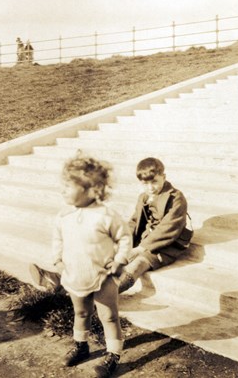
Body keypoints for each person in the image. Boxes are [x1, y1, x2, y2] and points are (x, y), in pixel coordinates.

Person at [30, 153, 132, 377]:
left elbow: (124, 238)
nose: (62, 190)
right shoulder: (64, 216)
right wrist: (57, 259)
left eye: (68, 185)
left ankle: (113, 355)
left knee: (109, 316)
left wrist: (120, 260)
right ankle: (81, 346)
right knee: (81, 312)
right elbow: (58, 238)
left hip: (103, 276)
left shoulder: (106, 216)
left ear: (91, 188)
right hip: (75, 275)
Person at [118, 157, 193, 294]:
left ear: (163, 177)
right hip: (146, 239)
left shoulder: (176, 198)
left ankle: (106, 296)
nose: (150, 188)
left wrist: (140, 248)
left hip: (167, 244)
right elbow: (135, 221)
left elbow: (168, 228)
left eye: (154, 182)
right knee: (115, 255)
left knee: (137, 265)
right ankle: (88, 287)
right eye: (145, 184)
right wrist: (126, 241)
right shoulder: (144, 197)